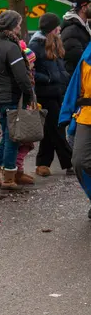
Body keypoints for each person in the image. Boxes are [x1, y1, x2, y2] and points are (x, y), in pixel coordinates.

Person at [0, 10, 33, 190]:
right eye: (19, 24)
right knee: (13, 138)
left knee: (7, 135)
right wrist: (28, 95)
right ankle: (8, 178)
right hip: (11, 97)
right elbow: (21, 77)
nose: (20, 27)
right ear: (12, 27)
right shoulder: (11, 47)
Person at [29, 14, 73, 178]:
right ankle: (70, 162)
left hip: (57, 91)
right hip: (45, 93)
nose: (60, 29)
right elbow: (31, 71)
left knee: (50, 130)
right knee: (57, 128)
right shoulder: (35, 45)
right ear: (51, 29)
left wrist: (65, 80)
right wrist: (47, 79)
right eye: (57, 27)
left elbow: (60, 67)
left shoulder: (55, 43)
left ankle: (42, 163)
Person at [60, 42, 91, 218]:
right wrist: (66, 114)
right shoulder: (87, 56)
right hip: (87, 115)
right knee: (79, 161)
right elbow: (75, 87)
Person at [15, 43, 37, 185]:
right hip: (24, 112)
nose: (34, 65)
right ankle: (18, 170)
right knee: (25, 142)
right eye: (32, 62)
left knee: (27, 143)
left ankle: (19, 169)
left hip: (27, 109)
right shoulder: (25, 77)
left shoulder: (30, 74)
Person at [61, 0, 91, 77]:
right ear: (84, 8)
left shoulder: (84, 26)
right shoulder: (71, 31)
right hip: (76, 80)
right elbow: (80, 59)